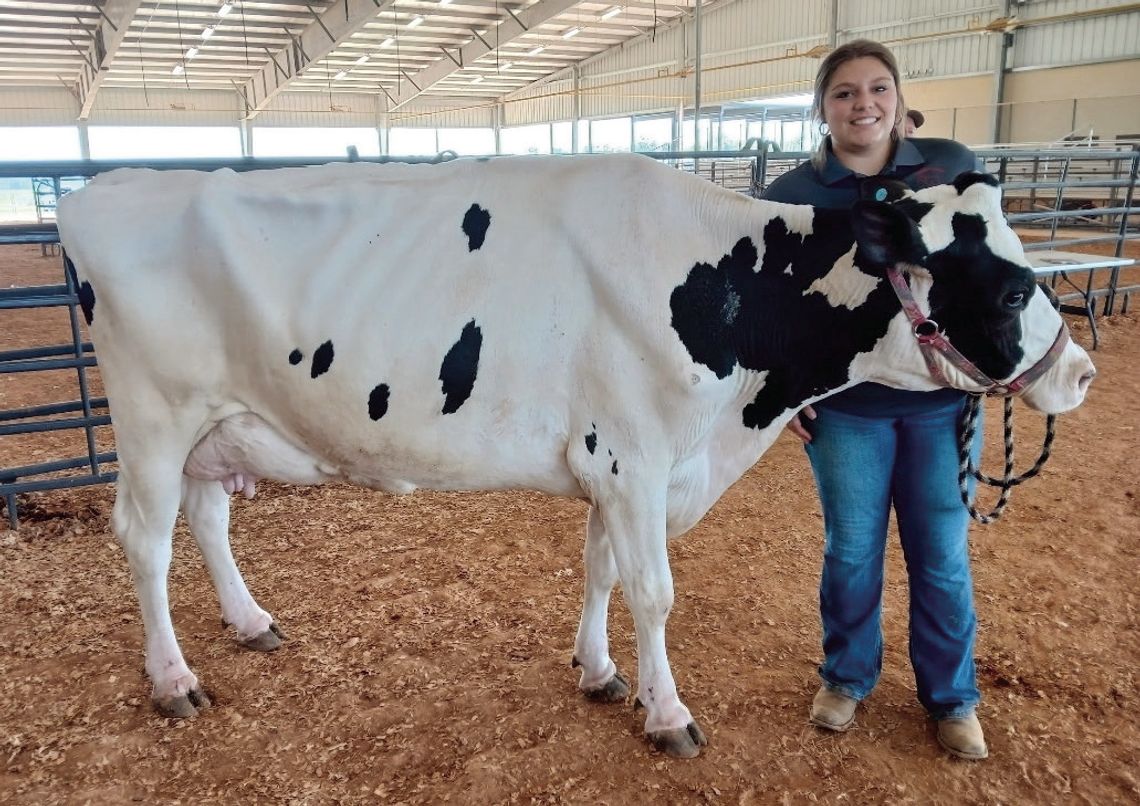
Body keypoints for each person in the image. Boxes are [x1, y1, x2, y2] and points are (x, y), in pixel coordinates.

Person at [762, 39, 988, 761]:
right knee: (852, 551)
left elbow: (988, 270)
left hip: (944, 402)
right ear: (822, 107)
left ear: (898, 96)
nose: (864, 103)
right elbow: (772, 306)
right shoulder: (794, 193)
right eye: (845, 92)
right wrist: (782, 390)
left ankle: (952, 698)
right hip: (848, 406)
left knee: (943, 556)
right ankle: (848, 676)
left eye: (877, 88)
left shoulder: (950, 166)